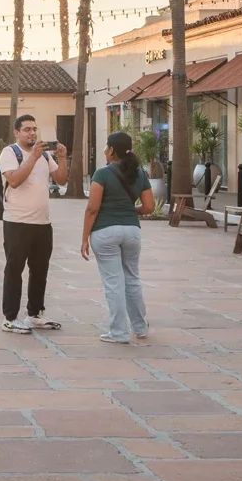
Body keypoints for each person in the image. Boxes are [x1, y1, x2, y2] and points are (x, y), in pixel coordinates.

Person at [81, 130, 154, 344]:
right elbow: (149, 207)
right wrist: (130, 211)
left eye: (106, 146)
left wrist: (84, 238)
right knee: (132, 278)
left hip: (105, 231)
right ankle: (140, 328)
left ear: (111, 150)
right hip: (132, 231)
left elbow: (92, 209)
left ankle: (119, 332)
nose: (104, 150)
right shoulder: (140, 173)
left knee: (114, 282)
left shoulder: (102, 174)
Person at [0, 113, 67, 333]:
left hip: (42, 223)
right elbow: (14, 180)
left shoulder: (45, 155)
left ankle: (35, 314)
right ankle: (10, 317)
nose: (32, 133)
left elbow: (62, 180)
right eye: (27, 129)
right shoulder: (10, 153)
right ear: (17, 132)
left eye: (34, 129)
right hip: (17, 222)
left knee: (40, 269)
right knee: (14, 269)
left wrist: (63, 158)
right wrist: (33, 157)